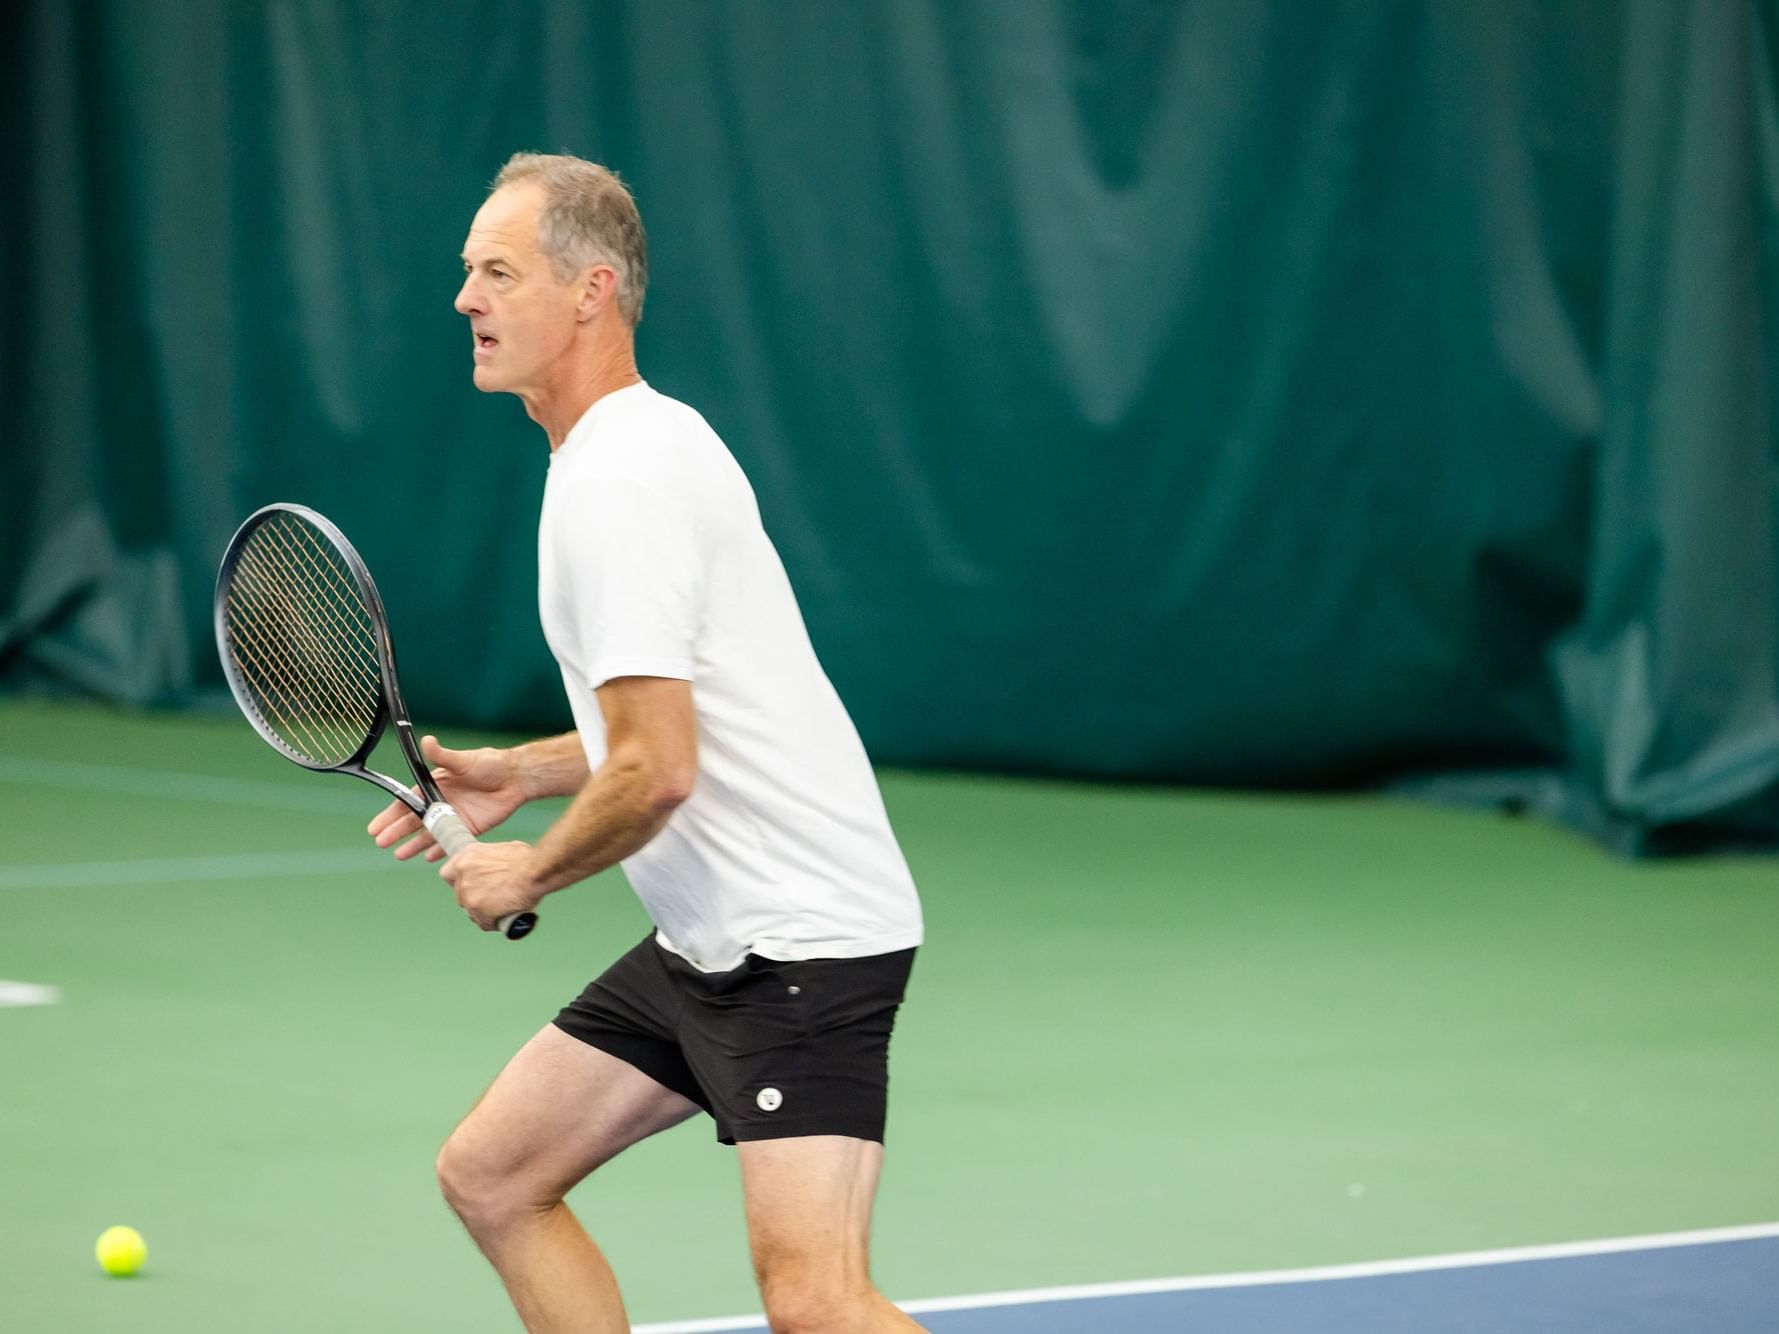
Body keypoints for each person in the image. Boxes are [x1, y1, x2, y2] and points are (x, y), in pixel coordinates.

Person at [367, 152, 925, 1333]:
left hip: (801, 942)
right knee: (495, 1175)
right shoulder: (625, 451)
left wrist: (526, 867)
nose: (465, 297)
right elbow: (688, 714)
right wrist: (519, 771)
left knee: (816, 1300)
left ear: (591, 291)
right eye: (468, 270)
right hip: (708, 939)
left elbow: (657, 767)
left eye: (498, 271)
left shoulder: (622, 479)